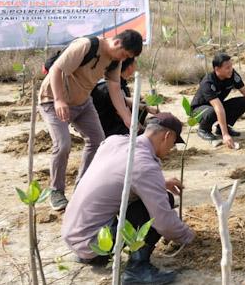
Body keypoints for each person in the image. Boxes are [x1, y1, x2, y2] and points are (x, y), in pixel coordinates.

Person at [62, 113, 194, 284]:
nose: (171, 149)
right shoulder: (144, 164)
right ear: (167, 136)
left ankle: (92, 256)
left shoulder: (114, 141)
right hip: (95, 244)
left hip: (74, 235)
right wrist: (188, 236)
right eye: (173, 143)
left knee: (142, 199)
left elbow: (118, 176)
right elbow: (164, 223)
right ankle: (137, 270)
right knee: (160, 202)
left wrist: (159, 182)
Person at [39, 29, 143, 211]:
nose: (123, 59)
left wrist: (128, 118)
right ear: (117, 43)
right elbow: (56, 70)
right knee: (63, 144)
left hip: (83, 103)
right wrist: (59, 100)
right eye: (124, 54)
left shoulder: (114, 61)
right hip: (53, 100)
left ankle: (82, 187)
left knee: (97, 141)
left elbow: (115, 89)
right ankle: (56, 191)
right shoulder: (85, 46)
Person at [192, 53, 245, 148]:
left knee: (244, 101)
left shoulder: (232, 74)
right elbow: (218, 107)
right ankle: (203, 129)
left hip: (217, 106)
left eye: (231, 66)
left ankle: (221, 128)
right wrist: (225, 135)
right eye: (227, 68)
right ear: (217, 69)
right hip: (199, 110)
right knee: (213, 111)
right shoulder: (208, 82)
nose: (231, 69)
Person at [91, 57, 158, 137]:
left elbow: (125, 102)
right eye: (135, 63)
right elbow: (122, 110)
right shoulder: (111, 87)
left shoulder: (118, 84)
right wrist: (142, 131)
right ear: (130, 67)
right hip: (108, 129)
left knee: (141, 106)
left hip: (110, 123)